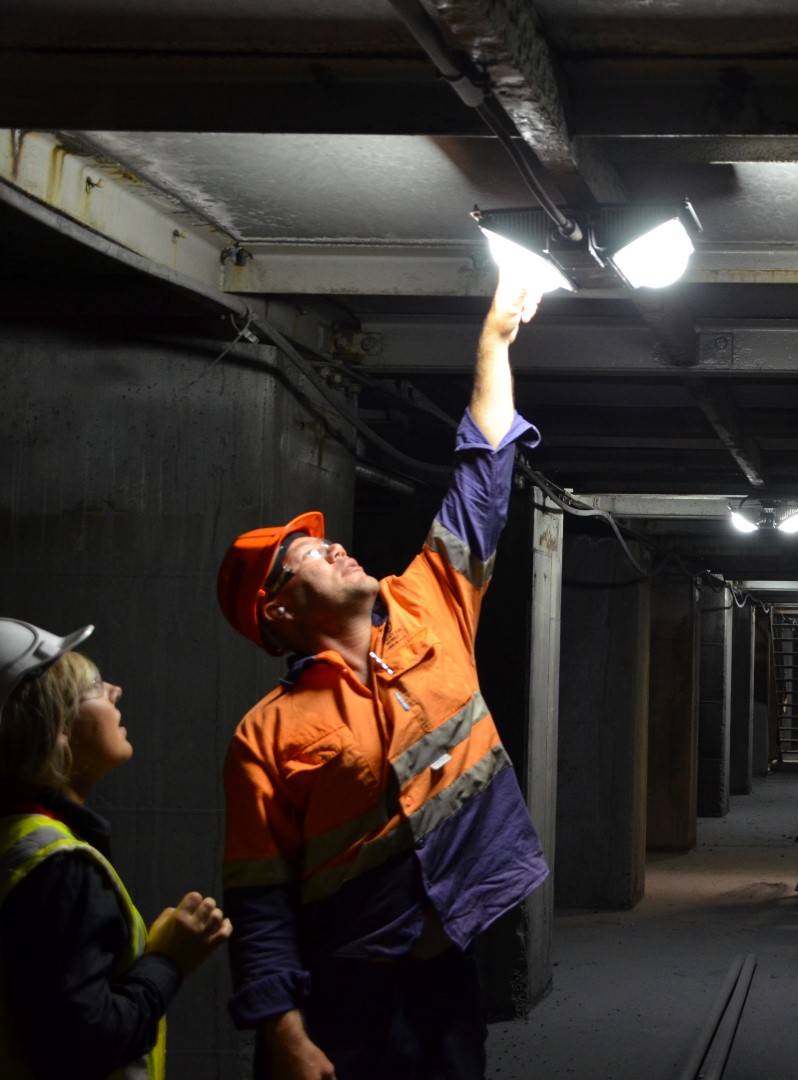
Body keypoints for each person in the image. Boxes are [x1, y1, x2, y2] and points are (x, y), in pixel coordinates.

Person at [215, 272, 549, 1080]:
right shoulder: (265, 734)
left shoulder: (430, 602)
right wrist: (283, 1033)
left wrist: (493, 342)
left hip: (445, 973)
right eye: (305, 558)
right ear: (280, 615)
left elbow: (483, 476)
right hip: (344, 993)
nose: (330, 545)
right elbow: (259, 903)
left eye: (323, 540)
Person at [0, 618, 232, 1079]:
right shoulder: (59, 869)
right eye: (92, 688)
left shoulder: (18, 843)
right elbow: (88, 1041)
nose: (116, 690)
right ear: (57, 729)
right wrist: (168, 961)